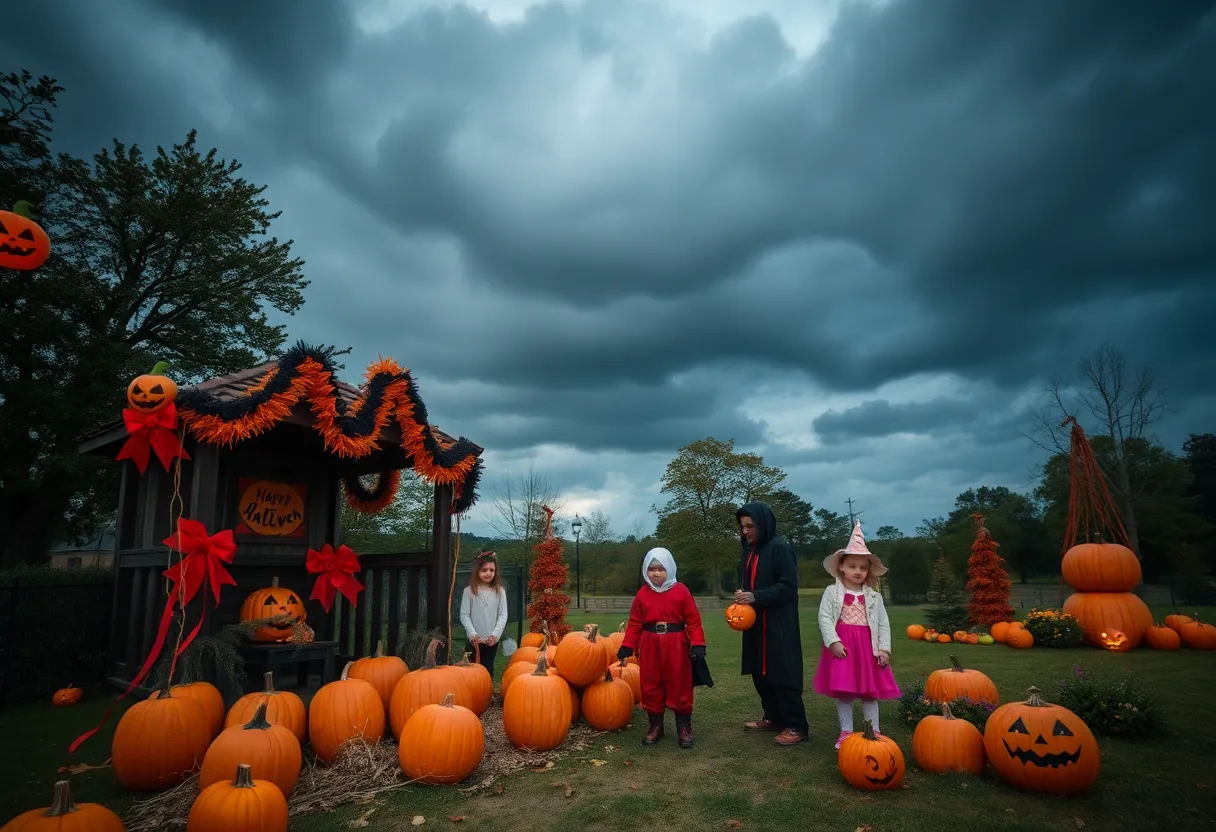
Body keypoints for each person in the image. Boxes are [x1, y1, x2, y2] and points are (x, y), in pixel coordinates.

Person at [812, 520, 901, 748]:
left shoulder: (874, 597)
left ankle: (874, 731)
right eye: (852, 566)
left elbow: (883, 624)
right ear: (841, 566)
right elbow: (824, 618)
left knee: (870, 693)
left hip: (867, 648)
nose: (858, 571)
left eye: (863, 568)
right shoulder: (832, 592)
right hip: (843, 648)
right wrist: (833, 641)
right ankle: (846, 732)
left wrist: (884, 649)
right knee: (845, 692)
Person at [734, 501, 808, 746]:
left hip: (778, 624)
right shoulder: (750, 550)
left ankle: (796, 725)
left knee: (781, 671)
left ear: (763, 523)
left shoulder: (780, 548)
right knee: (759, 671)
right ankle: (773, 717)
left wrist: (756, 596)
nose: (746, 531)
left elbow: (788, 586)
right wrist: (743, 594)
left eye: (750, 526)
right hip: (755, 623)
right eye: (743, 527)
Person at [618, 547, 706, 748]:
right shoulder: (643, 594)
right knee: (650, 683)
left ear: (670, 568)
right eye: (651, 569)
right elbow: (635, 623)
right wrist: (627, 645)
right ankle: (655, 726)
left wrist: (698, 644)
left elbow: (693, 620)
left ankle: (684, 727)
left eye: (661, 568)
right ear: (645, 570)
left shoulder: (681, 591)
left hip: (676, 643)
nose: (656, 573)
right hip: (650, 643)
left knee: (679, 682)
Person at [459, 551, 508, 676]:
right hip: (474, 641)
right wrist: (473, 635)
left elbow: (503, 615)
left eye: (492, 570)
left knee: (488, 669)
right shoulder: (469, 591)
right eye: (484, 570)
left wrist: (495, 635)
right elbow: (464, 615)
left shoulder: (500, 591)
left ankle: (487, 688)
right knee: (472, 671)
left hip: (491, 640)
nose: (488, 573)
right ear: (477, 571)